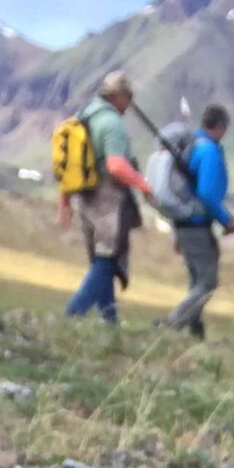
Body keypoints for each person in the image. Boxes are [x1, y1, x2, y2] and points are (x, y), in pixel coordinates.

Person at [62, 71, 154, 324]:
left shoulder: (83, 117)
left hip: (84, 196)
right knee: (107, 259)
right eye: (129, 97)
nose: (130, 103)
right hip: (107, 198)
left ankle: (109, 321)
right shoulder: (112, 124)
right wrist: (143, 185)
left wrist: (65, 202)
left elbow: (67, 163)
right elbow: (116, 166)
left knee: (102, 258)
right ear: (120, 96)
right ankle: (72, 315)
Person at [161, 105, 234, 341]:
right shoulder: (209, 151)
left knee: (196, 280)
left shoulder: (189, 146)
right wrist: (226, 220)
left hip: (182, 221)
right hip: (197, 223)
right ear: (221, 127)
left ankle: (196, 332)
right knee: (208, 281)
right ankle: (172, 323)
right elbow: (207, 194)